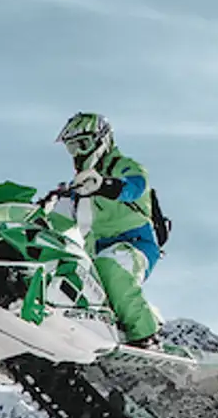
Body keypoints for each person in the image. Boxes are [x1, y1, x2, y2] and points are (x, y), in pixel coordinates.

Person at [55, 112, 160, 348]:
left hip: (134, 245)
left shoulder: (123, 166)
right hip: (95, 253)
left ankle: (146, 338)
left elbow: (135, 187)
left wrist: (104, 185)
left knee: (110, 269)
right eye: (72, 148)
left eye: (83, 145)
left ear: (102, 140)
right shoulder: (78, 188)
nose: (78, 154)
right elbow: (55, 223)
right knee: (65, 272)